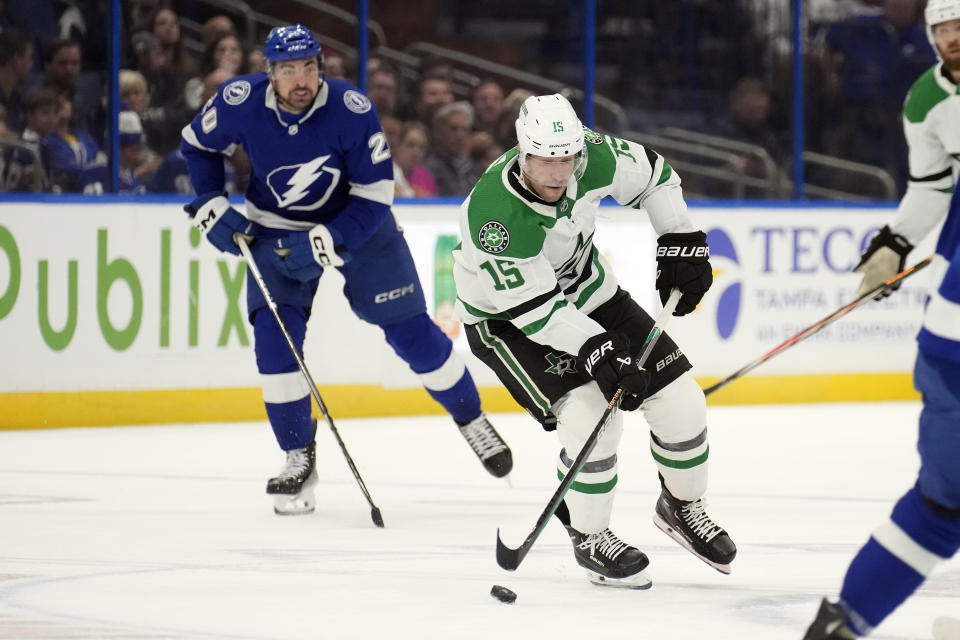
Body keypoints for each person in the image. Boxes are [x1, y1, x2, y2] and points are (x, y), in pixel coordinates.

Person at [179, 24, 513, 516]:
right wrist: (209, 202)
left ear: (320, 68)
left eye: (309, 67)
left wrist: (329, 239)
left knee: (411, 332)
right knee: (276, 337)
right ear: (268, 72)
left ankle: (470, 416)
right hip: (275, 231)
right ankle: (298, 454)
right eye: (288, 69)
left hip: (357, 226)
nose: (300, 79)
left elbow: (377, 192)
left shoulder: (350, 108)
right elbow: (198, 145)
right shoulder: (237, 100)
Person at [452, 93, 736, 588]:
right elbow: (539, 313)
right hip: (508, 322)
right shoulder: (495, 216)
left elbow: (656, 175)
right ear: (522, 150)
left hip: (589, 292)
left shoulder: (591, 154)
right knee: (591, 420)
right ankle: (589, 534)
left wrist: (679, 237)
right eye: (545, 159)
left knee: (683, 402)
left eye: (567, 158)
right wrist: (598, 348)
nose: (560, 172)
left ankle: (682, 507)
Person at [804, 2, 960, 637]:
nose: (955, 39)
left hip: (946, 333)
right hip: (951, 333)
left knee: (941, 505)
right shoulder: (926, 99)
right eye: (945, 31)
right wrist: (895, 242)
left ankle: (848, 621)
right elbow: (931, 190)